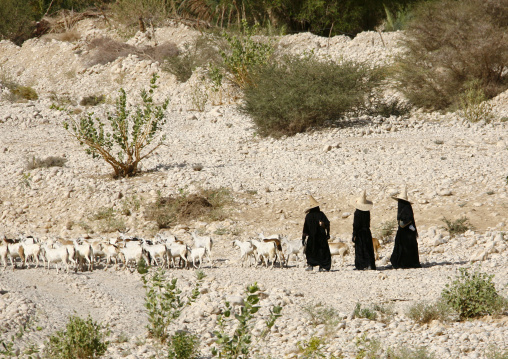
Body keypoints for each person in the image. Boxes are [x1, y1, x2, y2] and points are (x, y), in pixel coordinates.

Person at [389, 186, 421, 269]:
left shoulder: (406, 210)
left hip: (406, 233)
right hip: (405, 232)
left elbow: (406, 221)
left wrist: (401, 224)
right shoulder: (406, 208)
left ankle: (403, 263)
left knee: (405, 247)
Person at [302, 195, 331, 272]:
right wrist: (328, 234)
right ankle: (322, 266)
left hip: (312, 237)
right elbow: (327, 224)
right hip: (321, 237)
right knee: (322, 251)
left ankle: (311, 265)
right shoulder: (321, 214)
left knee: (311, 251)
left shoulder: (308, 216)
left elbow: (305, 228)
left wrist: (303, 238)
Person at [351, 190, 376, 270]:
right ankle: (370, 264)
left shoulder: (357, 213)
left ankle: (361, 265)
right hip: (367, 232)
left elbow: (356, 225)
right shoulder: (367, 212)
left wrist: (354, 234)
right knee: (368, 248)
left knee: (360, 249)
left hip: (360, 233)